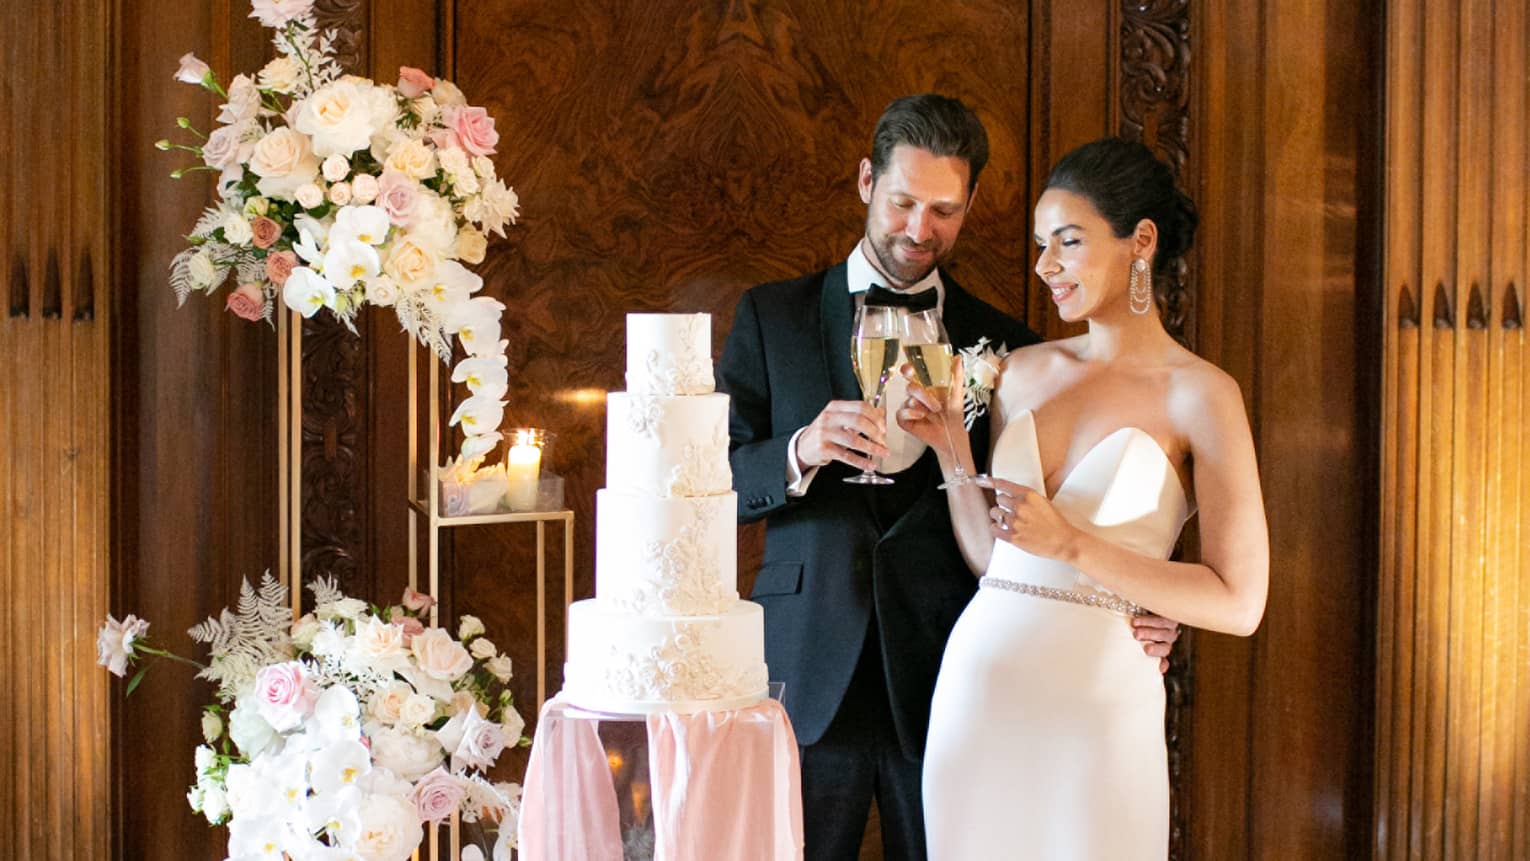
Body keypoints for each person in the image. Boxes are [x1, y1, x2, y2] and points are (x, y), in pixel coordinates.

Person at [717, 98, 1182, 861]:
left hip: (956, 667)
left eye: (944, 210)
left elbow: (1074, 508)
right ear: (867, 181)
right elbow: (716, 488)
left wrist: (1149, 605)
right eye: (903, 201)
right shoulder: (774, 316)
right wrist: (800, 448)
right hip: (802, 667)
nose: (918, 229)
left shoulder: (1014, 348)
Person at [900, 137, 1271, 859]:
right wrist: (952, 448)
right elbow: (996, 563)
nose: (1045, 267)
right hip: (979, 696)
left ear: (1141, 242)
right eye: (1042, 245)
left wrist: (1075, 545)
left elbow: (1238, 600)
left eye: (1067, 243)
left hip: (1100, 712)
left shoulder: (1204, 395)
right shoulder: (1017, 372)